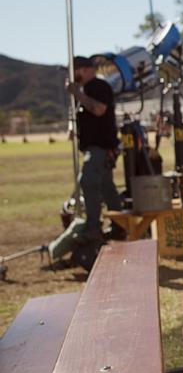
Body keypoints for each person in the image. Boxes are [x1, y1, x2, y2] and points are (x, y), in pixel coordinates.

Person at [65, 55, 122, 242]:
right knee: (106, 187)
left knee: (88, 182)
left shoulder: (98, 87)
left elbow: (99, 110)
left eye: (75, 71)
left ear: (85, 69)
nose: (72, 75)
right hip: (94, 147)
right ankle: (120, 226)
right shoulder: (84, 90)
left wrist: (77, 93)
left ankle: (93, 228)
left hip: (101, 147)